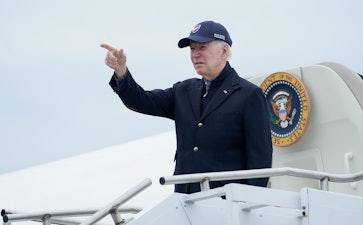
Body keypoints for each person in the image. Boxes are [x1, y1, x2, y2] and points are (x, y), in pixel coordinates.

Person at [101, 20, 273, 194]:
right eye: (192, 49)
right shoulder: (183, 91)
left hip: (227, 207)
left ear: (224, 51)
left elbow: (260, 162)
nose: (195, 54)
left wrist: (246, 208)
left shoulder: (249, 95)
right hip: (184, 204)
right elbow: (141, 101)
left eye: (202, 48)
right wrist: (121, 71)